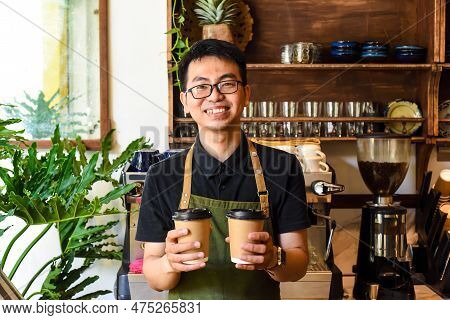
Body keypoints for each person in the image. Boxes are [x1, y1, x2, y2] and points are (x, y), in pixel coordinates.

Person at [136, 39, 310, 300]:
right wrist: (167, 264)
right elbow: (154, 274)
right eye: (201, 86)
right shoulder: (162, 175)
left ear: (246, 94)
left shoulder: (284, 168)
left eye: (227, 84)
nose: (215, 96)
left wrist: (275, 259)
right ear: (185, 100)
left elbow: (298, 262)